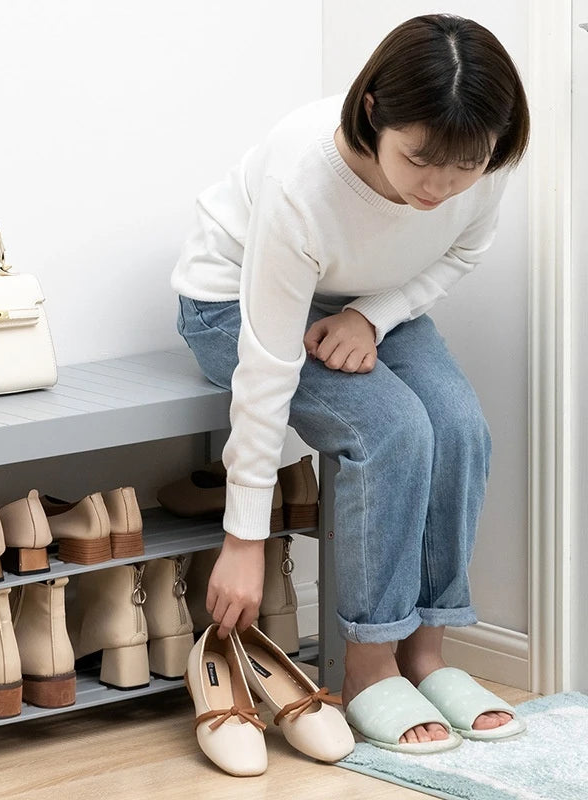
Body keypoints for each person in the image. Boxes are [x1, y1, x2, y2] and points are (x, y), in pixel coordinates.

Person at [171, 14, 530, 751]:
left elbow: (464, 250)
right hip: (233, 303)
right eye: (420, 158)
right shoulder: (305, 181)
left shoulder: (478, 162)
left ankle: (426, 655)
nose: (440, 184)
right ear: (374, 111)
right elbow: (268, 362)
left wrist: (374, 314)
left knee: (459, 424)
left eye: (463, 166)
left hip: (371, 301)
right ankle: (369, 666)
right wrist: (244, 537)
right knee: (393, 429)